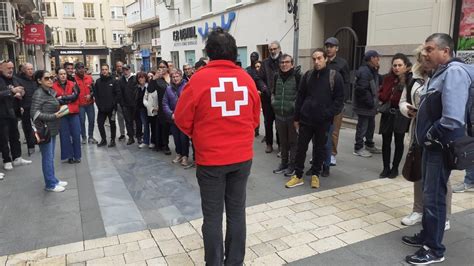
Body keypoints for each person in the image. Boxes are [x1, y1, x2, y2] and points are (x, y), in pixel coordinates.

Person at [174, 27, 260, 266]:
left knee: (212, 217)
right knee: (236, 212)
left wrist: (199, 135)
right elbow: (254, 120)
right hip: (242, 159)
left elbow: (181, 119)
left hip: (211, 160)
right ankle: (235, 262)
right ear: (233, 53)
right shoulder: (247, 80)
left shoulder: (198, 80)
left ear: (209, 53)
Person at [403, 33, 471, 265]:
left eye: (430, 49)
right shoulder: (439, 73)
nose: (424, 53)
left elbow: (452, 118)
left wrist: (431, 136)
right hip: (431, 146)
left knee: (434, 198)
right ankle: (427, 235)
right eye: (424, 48)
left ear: (445, 51)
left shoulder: (453, 72)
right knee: (428, 194)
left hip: (439, 147)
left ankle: (434, 249)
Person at [399, 46, 453, 229]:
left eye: (426, 57)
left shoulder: (444, 75)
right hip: (417, 131)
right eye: (420, 58)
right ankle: (418, 210)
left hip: (439, 133)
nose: (424, 60)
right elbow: (403, 101)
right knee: (418, 171)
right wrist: (407, 109)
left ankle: (443, 215)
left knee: (441, 177)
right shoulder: (412, 78)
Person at [285, 48, 344, 189]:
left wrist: (327, 113)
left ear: (326, 59)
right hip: (306, 120)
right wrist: (297, 117)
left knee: (319, 149)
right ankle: (298, 175)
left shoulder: (334, 76)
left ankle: (316, 174)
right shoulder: (308, 75)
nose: (316, 62)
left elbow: (339, 100)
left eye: (319, 58)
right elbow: (300, 97)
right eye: (314, 59)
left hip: (323, 121)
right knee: (301, 148)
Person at [31, 70, 68, 192]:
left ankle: (53, 179)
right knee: (47, 157)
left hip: (51, 129)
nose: (50, 80)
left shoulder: (48, 92)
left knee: (50, 157)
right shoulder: (39, 93)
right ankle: (50, 184)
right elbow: (34, 114)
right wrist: (54, 116)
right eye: (47, 78)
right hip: (45, 130)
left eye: (51, 77)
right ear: (39, 81)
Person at [378, 53, 412, 178]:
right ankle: (386, 167)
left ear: (406, 66)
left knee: (399, 141)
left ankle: (395, 168)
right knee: (385, 141)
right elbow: (382, 95)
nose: (397, 68)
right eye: (394, 65)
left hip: (401, 113)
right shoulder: (388, 78)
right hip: (388, 112)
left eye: (400, 65)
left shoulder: (410, 79)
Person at [323, 37, 351, 172]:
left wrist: (342, 100)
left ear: (337, 48)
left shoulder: (342, 63)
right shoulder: (322, 60)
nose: (329, 48)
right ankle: (322, 152)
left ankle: (332, 154)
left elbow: (346, 83)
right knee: (321, 129)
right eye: (327, 46)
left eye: (331, 46)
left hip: (336, 103)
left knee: (334, 130)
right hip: (323, 102)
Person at [272, 54, 300, 177]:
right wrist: (274, 103)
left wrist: (295, 108)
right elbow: (273, 92)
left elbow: (301, 95)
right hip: (279, 115)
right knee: (283, 141)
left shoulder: (298, 76)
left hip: (292, 116)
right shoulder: (276, 76)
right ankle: (284, 163)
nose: (284, 64)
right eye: (282, 62)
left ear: (292, 63)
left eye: (287, 62)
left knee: (293, 142)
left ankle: (292, 165)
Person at [0, 60, 31, 171]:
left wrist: (21, 94)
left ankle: (17, 158)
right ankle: (7, 160)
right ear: (1, 68)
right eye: (8, 68)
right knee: (4, 138)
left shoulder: (14, 79)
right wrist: (12, 91)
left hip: (13, 112)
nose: (11, 70)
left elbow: (22, 90)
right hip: (2, 114)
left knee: (15, 135)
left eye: (12, 67)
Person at [353, 50, 382, 158]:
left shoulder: (371, 70)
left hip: (369, 106)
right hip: (364, 106)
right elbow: (361, 90)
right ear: (371, 59)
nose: (379, 60)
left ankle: (369, 144)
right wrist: (371, 102)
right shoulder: (365, 71)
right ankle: (358, 148)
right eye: (377, 58)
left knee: (371, 126)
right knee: (362, 127)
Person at [52, 68, 82, 164]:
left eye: (64, 73)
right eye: (61, 74)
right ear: (57, 75)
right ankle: (69, 156)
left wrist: (63, 98)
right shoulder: (53, 86)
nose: (63, 75)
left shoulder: (72, 84)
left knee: (76, 134)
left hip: (73, 112)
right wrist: (69, 98)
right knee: (64, 136)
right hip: (62, 113)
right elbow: (55, 100)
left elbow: (76, 96)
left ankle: (77, 155)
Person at [163, 69, 189, 166]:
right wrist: (170, 114)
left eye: (177, 76)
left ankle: (185, 156)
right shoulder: (168, 88)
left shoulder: (186, 86)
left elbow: (189, 102)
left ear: (181, 76)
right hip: (173, 118)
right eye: (173, 77)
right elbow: (165, 103)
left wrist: (183, 114)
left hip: (183, 118)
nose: (175, 78)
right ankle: (179, 153)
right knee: (176, 138)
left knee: (183, 138)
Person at [260, 41, 282, 153]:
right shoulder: (264, 63)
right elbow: (259, 78)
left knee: (279, 123)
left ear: (279, 48)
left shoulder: (284, 60)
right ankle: (269, 143)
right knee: (268, 122)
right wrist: (264, 88)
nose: (273, 51)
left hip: (280, 98)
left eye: (274, 49)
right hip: (267, 98)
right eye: (270, 49)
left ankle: (280, 145)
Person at [95, 64, 120, 148]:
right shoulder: (98, 81)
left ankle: (113, 140)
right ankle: (103, 139)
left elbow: (117, 94)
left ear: (108, 70)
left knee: (112, 124)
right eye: (103, 69)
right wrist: (98, 105)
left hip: (111, 108)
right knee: (99, 123)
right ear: (101, 70)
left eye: (106, 69)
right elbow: (96, 94)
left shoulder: (113, 81)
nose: (104, 71)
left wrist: (113, 104)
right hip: (101, 108)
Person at [15, 63, 37, 155]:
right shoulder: (18, 80)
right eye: (28, 69)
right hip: (26, 107)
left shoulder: (35, 80)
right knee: (27, 127)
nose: (30, 71)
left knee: (39, 126)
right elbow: (19, 94)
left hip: (36, 106)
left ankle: (40, 141)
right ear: (24, 70)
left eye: (32, 69)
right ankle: (30, 146)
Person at [151, 60, 172, 154]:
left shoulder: (172, 76)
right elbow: (150, 89)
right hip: (163, 106)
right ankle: (165, 145)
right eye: (160, 67)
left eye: (164, 67)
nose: (162, 68)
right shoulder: (158, 79)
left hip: (174, 105)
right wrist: (154, 78)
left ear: (167, 67)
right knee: (165, 127)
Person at [75, 62, 97, 144]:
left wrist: (90, 95)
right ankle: (84, 137)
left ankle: (90, 137)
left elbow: (94, 90)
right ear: (76, 70)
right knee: (82, 121)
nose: (81, 70)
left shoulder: (89, 78)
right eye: (79, 68)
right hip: (80, 105)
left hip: (90, 104)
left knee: (91, 120)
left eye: (82, 68)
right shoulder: (74, 80)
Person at [246, 52, 267, 137]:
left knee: (259, 112)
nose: (252, 58)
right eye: (251, 56)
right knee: (251, 111)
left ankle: (258, 130)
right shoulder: (248, 69)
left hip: (261, 92)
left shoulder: (261, 68)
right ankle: (253, 128)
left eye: (254, 56)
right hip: (251, 92)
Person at [118, 64, 139, 145]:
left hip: (134, 104)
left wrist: (136, 102)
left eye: (127, 70)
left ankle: (138, 136)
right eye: (124, 70)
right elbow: (119, 93)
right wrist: (122, 104)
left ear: (130, 70)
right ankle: (130, 137)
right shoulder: (120, 80)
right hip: (125, 105)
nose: (125, 71)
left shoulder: (134, 79)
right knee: (128, 121)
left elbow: (137, 91)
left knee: (137, 121)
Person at [143, 72, 159, 149]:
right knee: (152, 126)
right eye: (148, 77)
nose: (150, 78)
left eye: (152, 76)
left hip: (159, 110)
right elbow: (144, 99)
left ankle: (159, 142)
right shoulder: (148, 88)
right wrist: (149, 107)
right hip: (151, 111)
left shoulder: (159, 85)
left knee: (158, 127)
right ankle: (153, 141)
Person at [136, 72, 150, 148]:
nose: (141, 79)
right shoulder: (137, 87)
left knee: (150, 125)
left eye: (142, 77)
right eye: (139, 78)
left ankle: (151, 141)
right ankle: (146, 141)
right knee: (145, 125)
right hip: (141, 109)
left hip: (149, 108)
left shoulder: (148, 87)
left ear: (145, 78)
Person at [113, 61, 127, 141]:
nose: (119, 67)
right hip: (118, 101)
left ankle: (132, 133)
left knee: (129, 118)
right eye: (118, 66)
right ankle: (122, 133)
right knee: (120, 118)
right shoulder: (113, 76)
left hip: (126, 101)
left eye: (120, 66)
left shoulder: (126, 75)